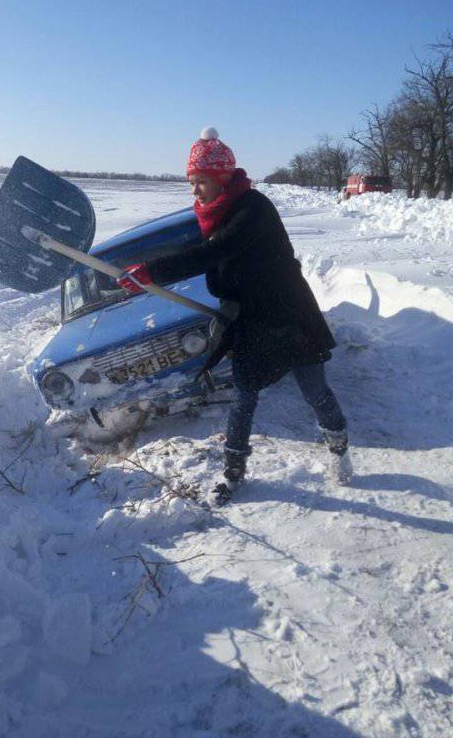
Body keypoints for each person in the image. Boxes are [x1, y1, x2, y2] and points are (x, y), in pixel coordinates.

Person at [117, 128, 352, 505]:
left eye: (201, 182)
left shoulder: (252, 208)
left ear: (223, 178)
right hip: (253, 320)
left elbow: (216, 251)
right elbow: (201, 249)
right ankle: (234, 473)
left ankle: (339, 449)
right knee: (244, 396)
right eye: (191, 182)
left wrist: (153, 273)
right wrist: (142, 269)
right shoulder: (215, 213)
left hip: (290, 315)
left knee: (315, 391)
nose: (195, 191)